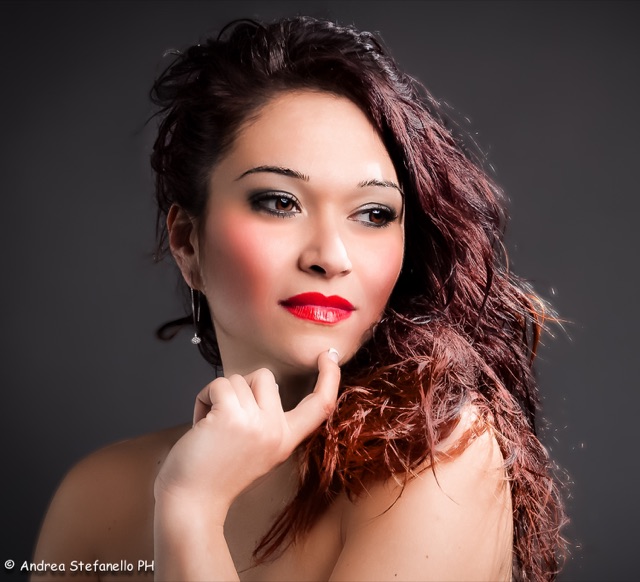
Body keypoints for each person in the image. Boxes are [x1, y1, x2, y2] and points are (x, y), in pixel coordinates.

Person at [32, 16, 566, 582]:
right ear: (187, 242)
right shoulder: (96, 495)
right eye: (280, 202)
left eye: (374, 213)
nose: (330, 256)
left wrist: (192, 511)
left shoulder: (439, 460)